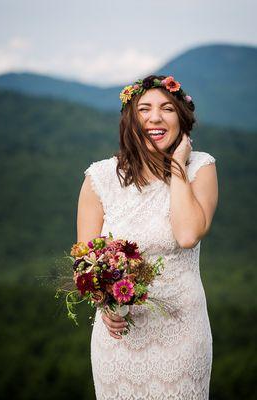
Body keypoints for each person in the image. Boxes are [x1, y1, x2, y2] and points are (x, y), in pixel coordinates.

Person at [77, 74, 218, 399]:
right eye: (145, 109)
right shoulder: (99, 178)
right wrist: (105, 305)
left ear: (182, 118)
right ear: (131, 120)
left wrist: (178, 166)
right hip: (120, 338)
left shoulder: (200, 168)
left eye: (167, 108)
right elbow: (86, 262)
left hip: (182, 336)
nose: (155, 117)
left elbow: (187, 234)